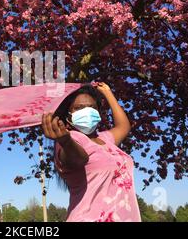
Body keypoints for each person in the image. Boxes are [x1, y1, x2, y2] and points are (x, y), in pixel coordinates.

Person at [41, 82, 141, 222]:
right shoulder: (70, 140)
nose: (87, 111)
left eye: (92, 107)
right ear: (68, 116)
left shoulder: (104, 139)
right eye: (79, 108)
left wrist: (107, 92)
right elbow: (78, 158)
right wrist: (65, 140)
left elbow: (123, 126)